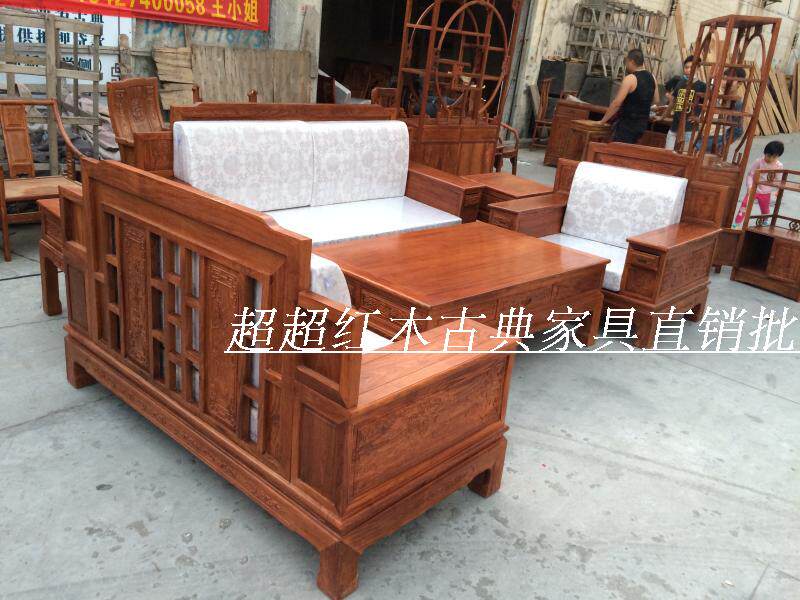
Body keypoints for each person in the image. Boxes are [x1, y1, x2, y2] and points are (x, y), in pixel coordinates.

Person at [599, 48, 659, 143]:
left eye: (626, 62)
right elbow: (656, 100)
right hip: (642, 125)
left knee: (617, 150)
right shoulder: (653, 77)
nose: (626, 65)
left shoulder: (630, 78)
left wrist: (602, 121)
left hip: (627, 124)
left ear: (632, 61)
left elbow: (616, 103)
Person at [734, 140, 785, 227]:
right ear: (765, 153)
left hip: (766, 192)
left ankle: (765, 221)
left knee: (765, 209)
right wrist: (750, 186)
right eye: (768, 156)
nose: (770, 159)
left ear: (778, 156)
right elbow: (750, 175)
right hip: (753, 189)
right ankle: (737, 223)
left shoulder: (779, 166)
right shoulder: (759, 162)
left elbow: (779, 180)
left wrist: (778, 190)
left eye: (774, 157)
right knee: (744, 205)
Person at [664, 55, 694, 150]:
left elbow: (705, 105)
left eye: (691, 67)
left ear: (697, 68)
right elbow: (673, 102)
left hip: (688, 129)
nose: (688, 70)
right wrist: (663, 116)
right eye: (686, 67)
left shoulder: (701, 86)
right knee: (667, 153)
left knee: (683, 155)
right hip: (675, 126)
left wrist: (699, 118)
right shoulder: (680, 83)